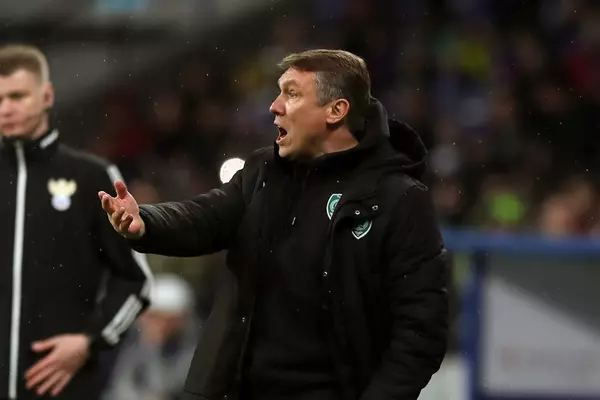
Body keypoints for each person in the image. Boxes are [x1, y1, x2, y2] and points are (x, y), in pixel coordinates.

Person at [100, 49, 449, 400]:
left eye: (292, 94)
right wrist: (145, 221)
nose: (274, 106)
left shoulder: (398, 199)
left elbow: (421, 332)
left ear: (336, 110)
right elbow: (205, 216)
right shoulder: (263, 173)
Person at [0, 44, 153, 400]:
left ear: (47, 95)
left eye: (18, 96)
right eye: (0, 99)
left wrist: (90, 341)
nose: (6, 108)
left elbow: (137, 280)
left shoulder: (91, 177)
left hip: (61, 387)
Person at [103, 273, 201, 400]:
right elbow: (120, 386)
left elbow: (162, 387)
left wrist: (153, 345)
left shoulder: (190, 350)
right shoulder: (122, 342)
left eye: (162, 318)